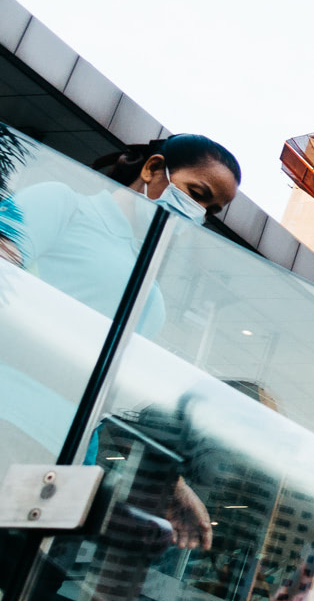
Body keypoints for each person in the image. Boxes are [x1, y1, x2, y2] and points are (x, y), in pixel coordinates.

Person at [0, 133, 239, 543]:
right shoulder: (64, 205)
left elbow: (108, 401)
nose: (198, 213)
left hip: (63, 464)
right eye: (196, 194)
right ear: (152, 169)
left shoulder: (152, 297)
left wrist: (170, 483)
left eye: (210, 209)